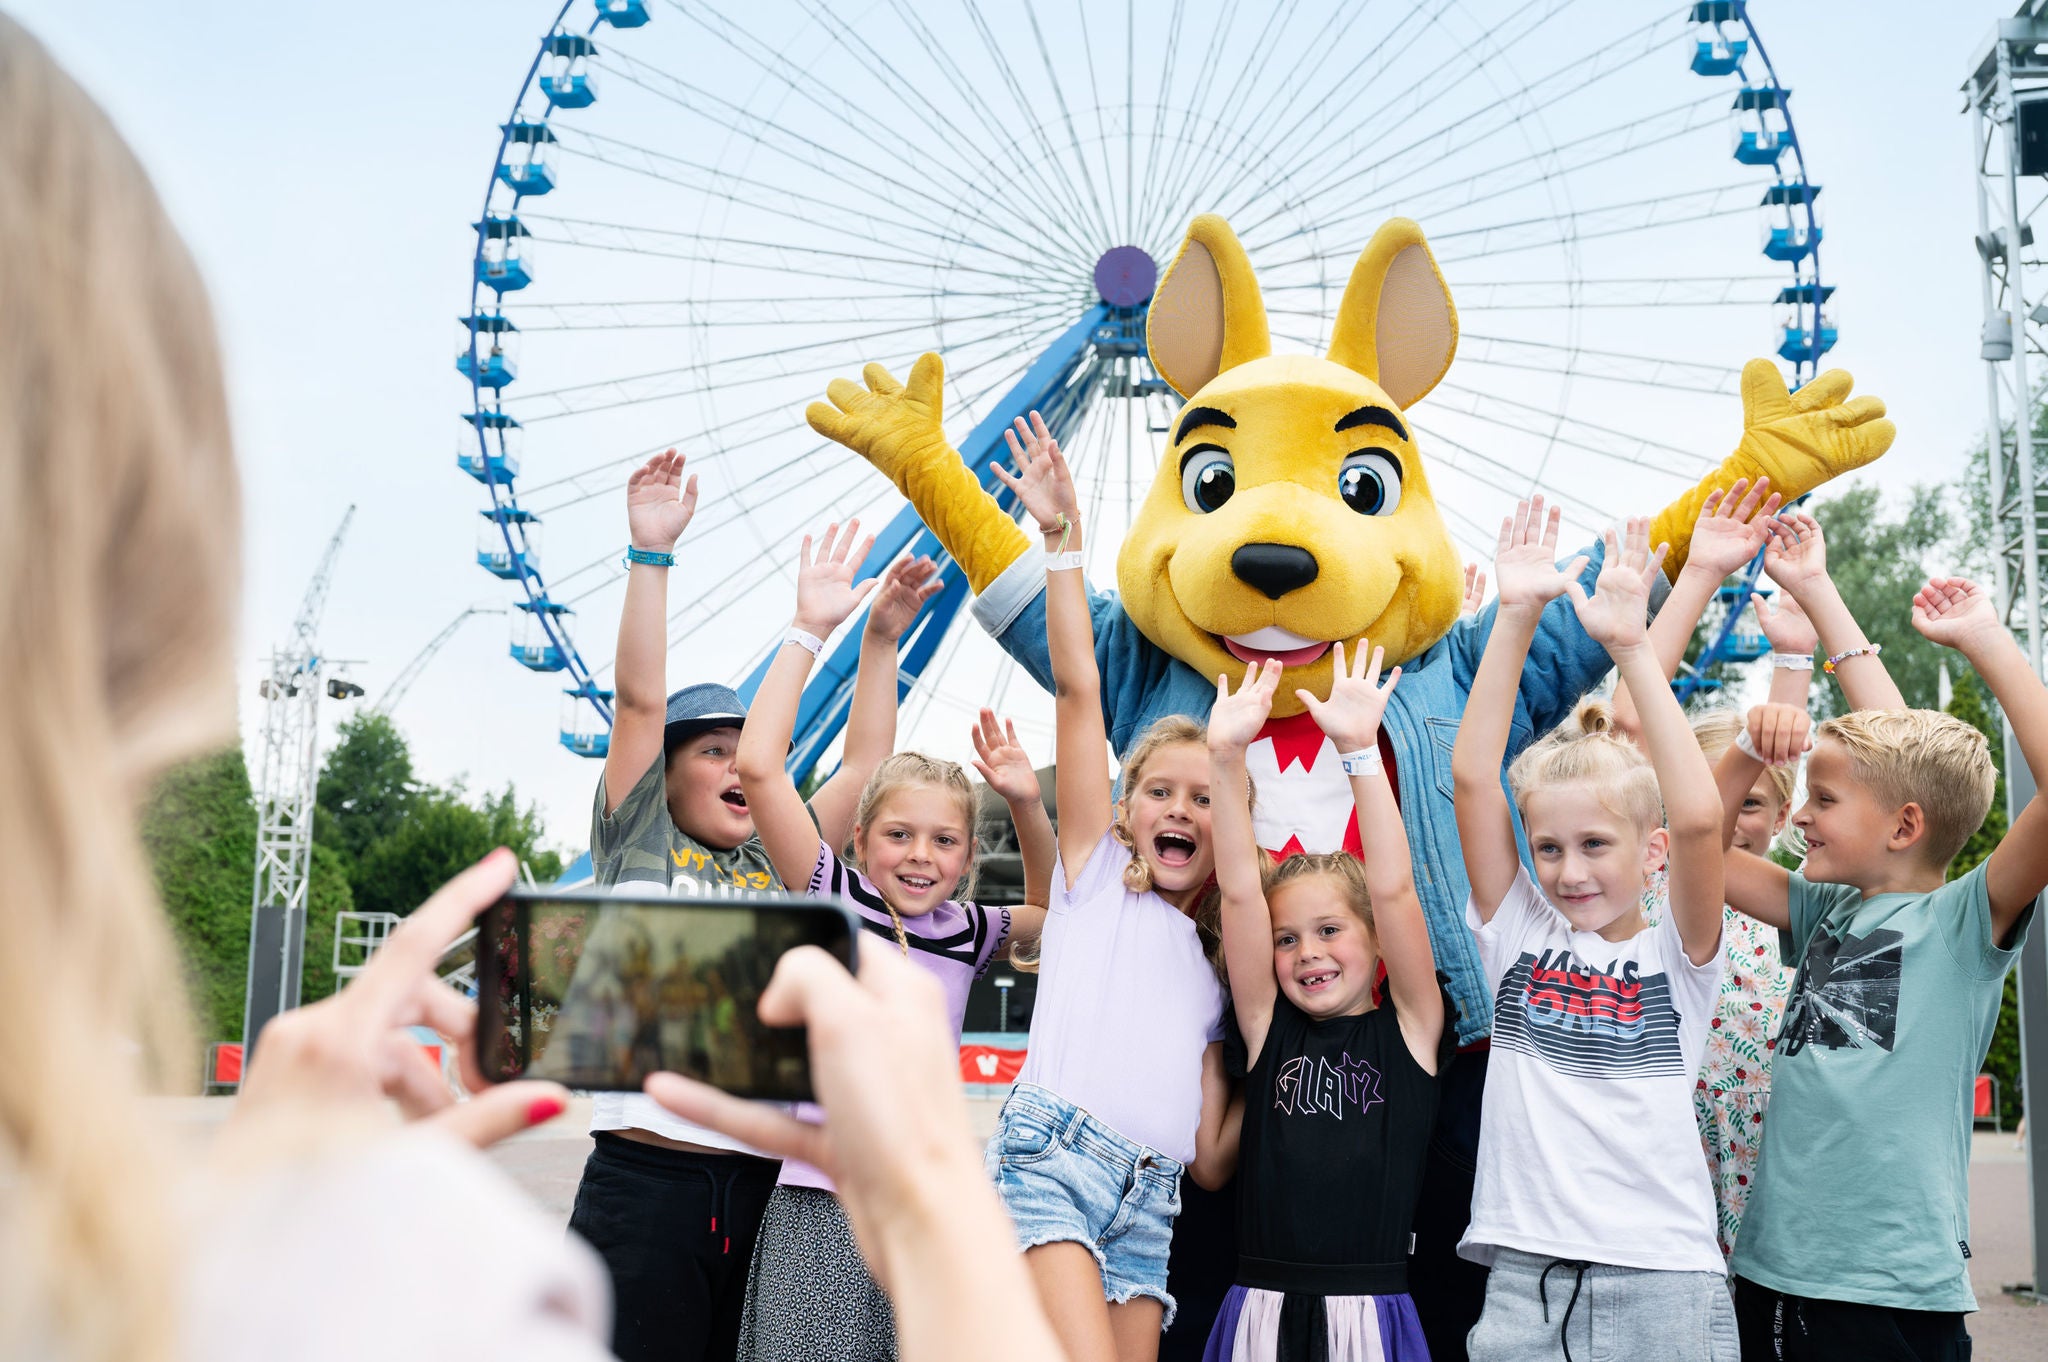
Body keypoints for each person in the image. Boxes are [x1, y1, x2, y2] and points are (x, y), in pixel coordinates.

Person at [569, 455, 938, 1362]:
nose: (739, 767)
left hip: (757, 1192)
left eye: (750, 750)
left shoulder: (784, 863)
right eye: (713, 752)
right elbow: (639, 700)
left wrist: (881, 642)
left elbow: (861, 773)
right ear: (667, 767)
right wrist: (650, 555)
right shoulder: (638, 842)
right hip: (646, 1184)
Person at [734, 518, 1054, 1361]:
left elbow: (1056, 916)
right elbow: (765, 768)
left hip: (927, 1206)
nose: (920, 857)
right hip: (821, 1200)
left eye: (944, 841)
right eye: (899, 836)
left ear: (966, 856)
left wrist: (1024, 803)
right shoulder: (829, 898)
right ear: (861, 840)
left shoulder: (966, 932)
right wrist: (824, 630)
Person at [1718, 574, 2045, 1362]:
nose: (1798, 815)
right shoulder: (1826, 911)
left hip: (1890, 1290)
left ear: (1904, 826)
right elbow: (1697, 850)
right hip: (1774, 1277)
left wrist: (1984, 639)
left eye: (1822, 800)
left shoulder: (1963, 922)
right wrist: (1816, 592)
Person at [1452, 505, 1735, 1360]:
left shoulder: (1677, 957)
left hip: (1661, 1282)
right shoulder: (1521, 938)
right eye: (1548, 848)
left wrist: (1634, 649)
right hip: (1524, 1281)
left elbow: (1696, 818)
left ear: (1648, 854)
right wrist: (1514, 616)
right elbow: (1471, 777)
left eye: (1594, 846)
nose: (1569, 871)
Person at [986, 413, 1237, 1362]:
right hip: (1052, 1160)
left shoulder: (1221, 961)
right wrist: (1061, 545)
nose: (1179, 808)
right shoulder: (1096, 884)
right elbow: (1080, 693)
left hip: (1153, 1194)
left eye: (1205, 798)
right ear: (1126, 812)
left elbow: (1211, 1154)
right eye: (1158, 791)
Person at [1205, 647, 1450, 1360]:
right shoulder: (1265, 1029)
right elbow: (1242, 891)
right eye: (1286, 940)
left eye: (1330, 930)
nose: (1307, 952)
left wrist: (1358, 752)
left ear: (1376, 943)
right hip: (1259, 1309)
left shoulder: (1412, 1028)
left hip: (1369, 1310)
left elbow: (1396, 890)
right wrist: (1225, 762)